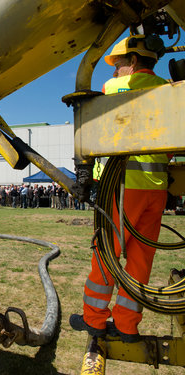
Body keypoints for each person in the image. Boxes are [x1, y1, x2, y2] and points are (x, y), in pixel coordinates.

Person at [70, 34, 169, 343]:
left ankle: (94, 319)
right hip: (157, 188)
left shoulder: (118, 88)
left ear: (134, 62)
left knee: (105, 254)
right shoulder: (169, 91)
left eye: (118, 66)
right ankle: (127, 325)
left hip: (125, 187)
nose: (113, 73)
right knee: (141, 260)